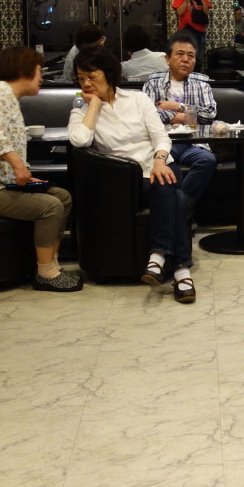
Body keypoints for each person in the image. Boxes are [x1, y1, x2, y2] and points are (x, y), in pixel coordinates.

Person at [68, 46, 198, 303]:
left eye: (92, 76)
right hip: (126, 181)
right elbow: (79, 140)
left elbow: (160, 136)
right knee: (178, 198)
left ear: (109, 74)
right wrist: (94, 106)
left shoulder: (138, 99)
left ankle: (158, 258)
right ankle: (180, 269)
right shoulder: (80, 110)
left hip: (160, 165)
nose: (86, 83)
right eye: (81, 78)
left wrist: (159, 161)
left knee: (164, 181)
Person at [0, 45, 79, 292]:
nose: (41, 77)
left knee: (62, 197)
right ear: (24, 70)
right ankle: (46, 274)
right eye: (39, 70)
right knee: (50, 206)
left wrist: (24, 175)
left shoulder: (5, 95)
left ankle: (51, 263)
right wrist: (18, 165)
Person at [141, 33, 218, 210]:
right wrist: (188, 116)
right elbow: (148, 116)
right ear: (167, 59)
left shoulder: (202, 84)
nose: (185, 59)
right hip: (165, 142)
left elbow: (209, 115)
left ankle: (179, 210)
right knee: (161, 163)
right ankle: (181, 214)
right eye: (180, 54)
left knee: (207, 160)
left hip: (194, 142)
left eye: (190, 56)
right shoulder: (152, 84)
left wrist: (177, 106)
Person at [171, 0, 212, 67]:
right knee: (184, 57)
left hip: (200, 29)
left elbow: (206, 11)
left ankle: (196, 75)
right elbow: (179, 12)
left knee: (198, 57)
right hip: (186, 28)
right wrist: (187, 0)